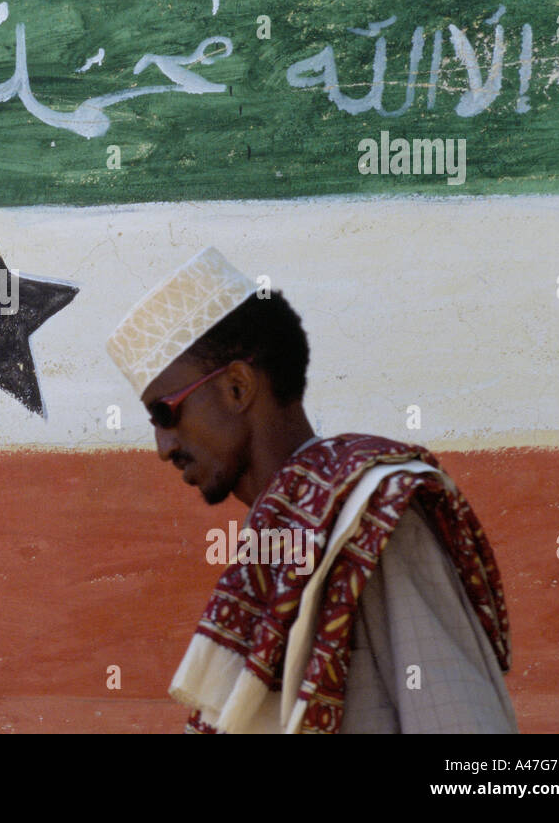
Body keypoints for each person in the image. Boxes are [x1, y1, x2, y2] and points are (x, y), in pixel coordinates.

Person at [105, 246, 516, 734]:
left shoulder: (369, 514)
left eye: (165, 413)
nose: (162, 446)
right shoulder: (276, 540)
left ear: (237, 387)